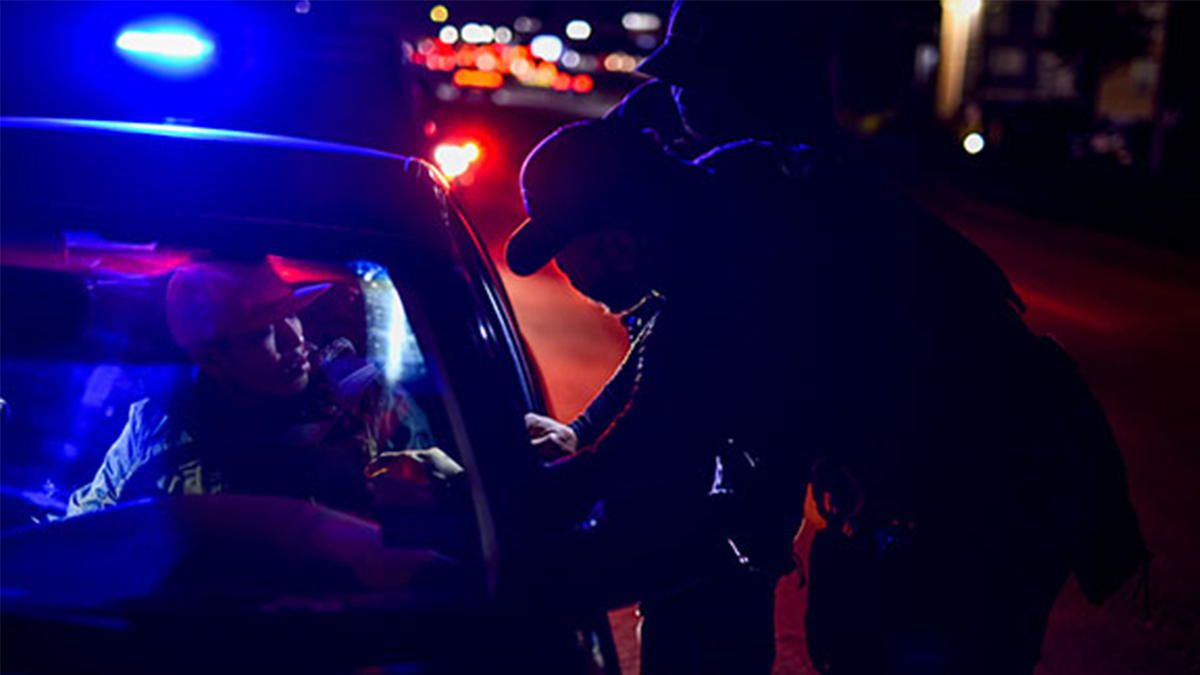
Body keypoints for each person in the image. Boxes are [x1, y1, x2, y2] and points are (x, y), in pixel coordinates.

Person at [635, 2, 1150, 674]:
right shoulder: (789, 176)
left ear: (761, 87)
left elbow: (763, 406)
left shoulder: (784, 197)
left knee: (899, 640)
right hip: (946, 479)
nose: (680, 102)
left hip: (986, 489)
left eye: (700, 82)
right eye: (677, 81)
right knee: (856, 626)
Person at [508, 118, 805, 675]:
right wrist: (580, 431)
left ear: (618, 245)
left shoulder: (735, 269)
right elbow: (657, 344)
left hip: (945, 500)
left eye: (568, 263)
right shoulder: (696, 231)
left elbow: (655, 435)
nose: (568, 278)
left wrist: (506, 502)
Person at [67, 260, 461, 519]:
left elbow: (455, 509)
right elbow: (88, 525)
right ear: (212, 359)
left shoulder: (369, 402)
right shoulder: (155, 424)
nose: (296, 341)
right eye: (264, 333)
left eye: (292, 314)